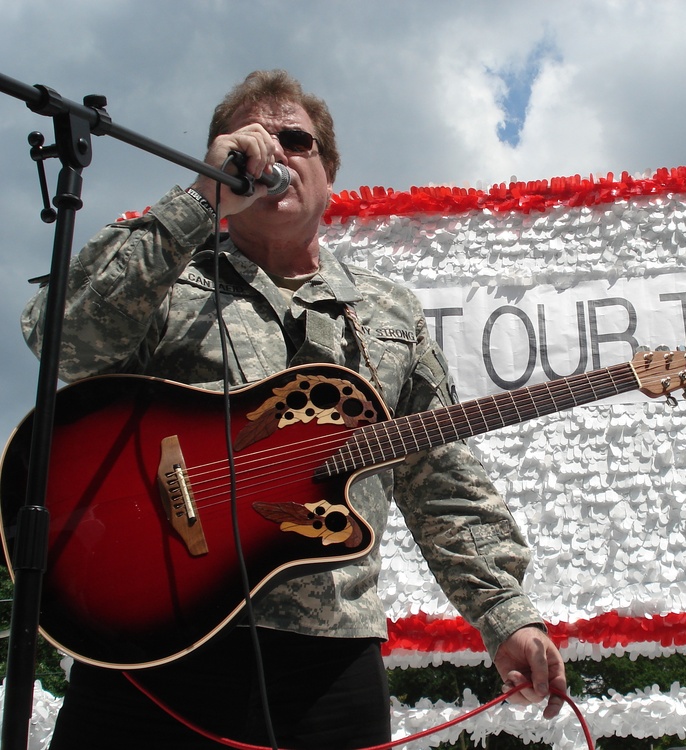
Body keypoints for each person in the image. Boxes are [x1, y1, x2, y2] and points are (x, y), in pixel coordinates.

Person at [21, 69, 566, 749]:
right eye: (248, 144)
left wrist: (506, 615)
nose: (273, 155)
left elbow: (443, 479)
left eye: (294, 141)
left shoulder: (387, 312)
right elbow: (61, 337)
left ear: (329, 170)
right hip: (152, 639)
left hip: (328, 662)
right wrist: (200, 198)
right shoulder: (165, 271)